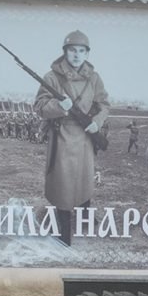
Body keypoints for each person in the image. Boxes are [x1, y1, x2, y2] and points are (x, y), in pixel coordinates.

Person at [33, 30, 110, 246]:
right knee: (63, 185)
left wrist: (97, 122)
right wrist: (59, 106)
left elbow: (104, 104)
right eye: (72, 50)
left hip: (86, 136)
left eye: (81, 51)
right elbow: (39, 106)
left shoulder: (94, 78)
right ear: (65, 52)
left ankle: (85, 220)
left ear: (87, 54)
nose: (76, 55)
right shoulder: (51, 77)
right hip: (62, 137)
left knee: (84, 179)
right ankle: (64, 234)